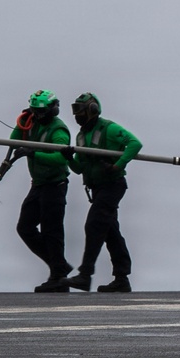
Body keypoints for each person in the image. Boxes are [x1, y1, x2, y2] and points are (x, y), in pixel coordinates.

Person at [59, 92, 141, 293]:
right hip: (97, 188)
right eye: (74, 111)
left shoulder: (109, 128)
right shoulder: (81, 136)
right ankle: (122, 278)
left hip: (113, 185)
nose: (76, 115)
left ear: (92, 110)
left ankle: (85, 275)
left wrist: (117, 165)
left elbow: (135, 144)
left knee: (94, 224)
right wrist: (69, 158)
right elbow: (80, 169)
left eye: (79, 110)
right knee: (110, 231)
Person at [0, 90, 75, 293]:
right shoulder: (31, 123)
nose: (38, 115)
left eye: (41, 111)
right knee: (25, 227)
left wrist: (34, 153)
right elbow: (14, 141)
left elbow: (60, 158)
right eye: (35, 111)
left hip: (55, 185)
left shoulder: (59, 130)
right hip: (38, 184)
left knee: (52, 230)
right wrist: (22, 122)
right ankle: (59, 266)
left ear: (53, 109)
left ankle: (58, 276)